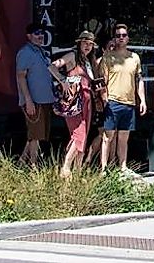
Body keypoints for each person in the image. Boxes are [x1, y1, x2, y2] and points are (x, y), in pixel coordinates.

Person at [97, 23, 146, 171]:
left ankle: (122, 166)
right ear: (114, 38)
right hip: (112, 101)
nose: (121, 38)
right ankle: (104, 168)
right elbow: (102, 81)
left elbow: (139, 80)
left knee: (124, 138)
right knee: (108, 137)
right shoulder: (108, 58)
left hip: (129, 102)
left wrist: (142, 100)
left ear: (128, 38)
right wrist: (105, 100)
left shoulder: (134, 58)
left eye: (123, 35)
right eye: (118, 35)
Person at [16, 21, 58, 165]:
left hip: (45, 100)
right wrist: (28, 100)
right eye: (37, 33)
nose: (40, 36)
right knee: (34, 134)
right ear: (29, 36)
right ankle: (33, 166)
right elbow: (20, 76)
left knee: (38, 134)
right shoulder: (25, 52)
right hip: (34, 101)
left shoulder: (41, 52)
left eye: (42, 33)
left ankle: (21, 162)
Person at [58, 32, 98, 172]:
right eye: (85, 43)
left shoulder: (89, 61)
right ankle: (66, 167)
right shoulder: (72, 56)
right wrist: (63, 82)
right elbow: (52, 66)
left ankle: (77, 170)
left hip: (87, 100)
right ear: (79, 43)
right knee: (78, 134)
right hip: (74, 100)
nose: (87, 46)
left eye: (90, 44)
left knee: (84, 135)